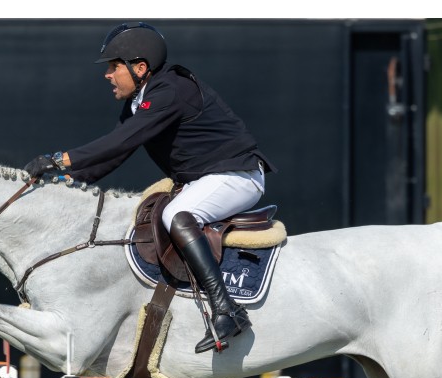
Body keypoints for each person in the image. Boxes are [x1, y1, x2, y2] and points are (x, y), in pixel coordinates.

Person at [24, 21, 276, 354]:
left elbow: (118, 141)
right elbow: (116, 154)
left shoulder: (169, 91)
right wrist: (64, 184)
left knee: (177, 213)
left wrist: (59, 160)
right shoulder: (141, 100)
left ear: (140, 67)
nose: (108, 74)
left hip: (237, 176)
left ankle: (227, 309)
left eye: (115, 66)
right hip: (210, 178)